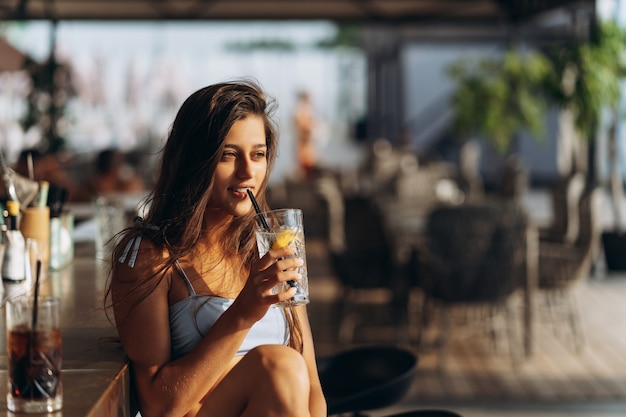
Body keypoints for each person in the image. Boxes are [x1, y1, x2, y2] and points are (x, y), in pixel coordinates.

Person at [105, 80, 327, 417]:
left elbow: (312, 392)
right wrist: (243, 312)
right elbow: (157, 406)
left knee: (287, 366)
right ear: (195, 160)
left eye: (258, 155)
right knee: (277, 364)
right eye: (228, 155)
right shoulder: (152, 255)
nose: (247, 172)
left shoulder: (269, 246)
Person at [293, 90, 318, 180]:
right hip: (303, 144)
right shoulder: (301, 110)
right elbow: (302, 125)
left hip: (306, 144)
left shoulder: (305, 109)